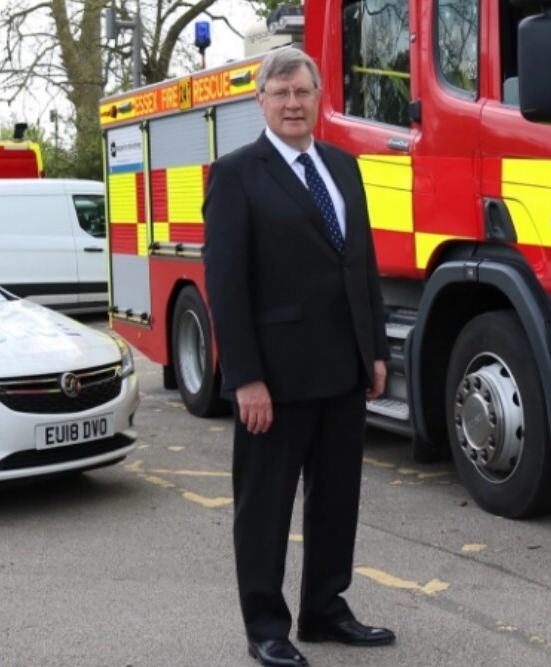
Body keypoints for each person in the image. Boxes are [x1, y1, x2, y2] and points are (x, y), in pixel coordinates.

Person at [202, 47, 395, 667]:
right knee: (265, 507)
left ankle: (324, 609)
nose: (292, 103)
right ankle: (266, 626)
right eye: (280, 92)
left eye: (302, 92)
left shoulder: (342, 165)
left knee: (337, 499)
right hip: (276, 379)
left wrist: (377, 349)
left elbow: (360, 264)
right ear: (260, 101)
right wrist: (246, 379)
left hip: (343, 370)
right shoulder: (235, 175)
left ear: (318, 99)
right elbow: (226, 287)